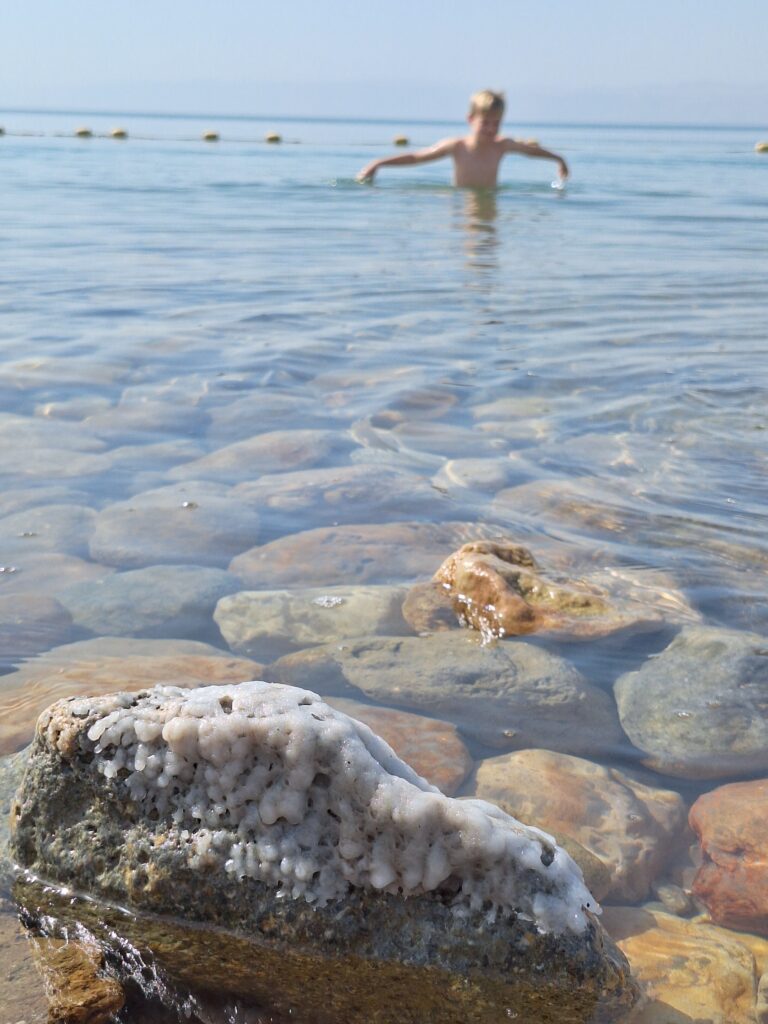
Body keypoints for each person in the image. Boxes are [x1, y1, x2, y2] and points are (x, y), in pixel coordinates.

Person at [357, 89, 569, 188]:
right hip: (461, 201)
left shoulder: (502, 146)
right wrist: (379, 163)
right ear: (471, 119)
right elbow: (416, 157)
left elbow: (531, 152)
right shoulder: (457, 146)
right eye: (485, 122)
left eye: (496, 123)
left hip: (490, 200)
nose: (491, 128)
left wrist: (559, 159)